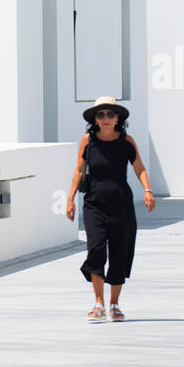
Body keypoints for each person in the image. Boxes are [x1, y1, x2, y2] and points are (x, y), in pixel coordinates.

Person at [65, 96, 155, 321]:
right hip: (94, 205)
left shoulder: (127, 142)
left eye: (110, 114)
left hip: (122, 207)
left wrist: (148, 190)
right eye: (101, 115)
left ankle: (114, 305)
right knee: (96, 250)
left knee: (119, 254)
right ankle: (98, 303)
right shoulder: (88, 140)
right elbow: (78, 170)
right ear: (95, 119)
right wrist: (70, 199)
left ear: (118, 118)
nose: (105, 118)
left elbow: (140, 167)